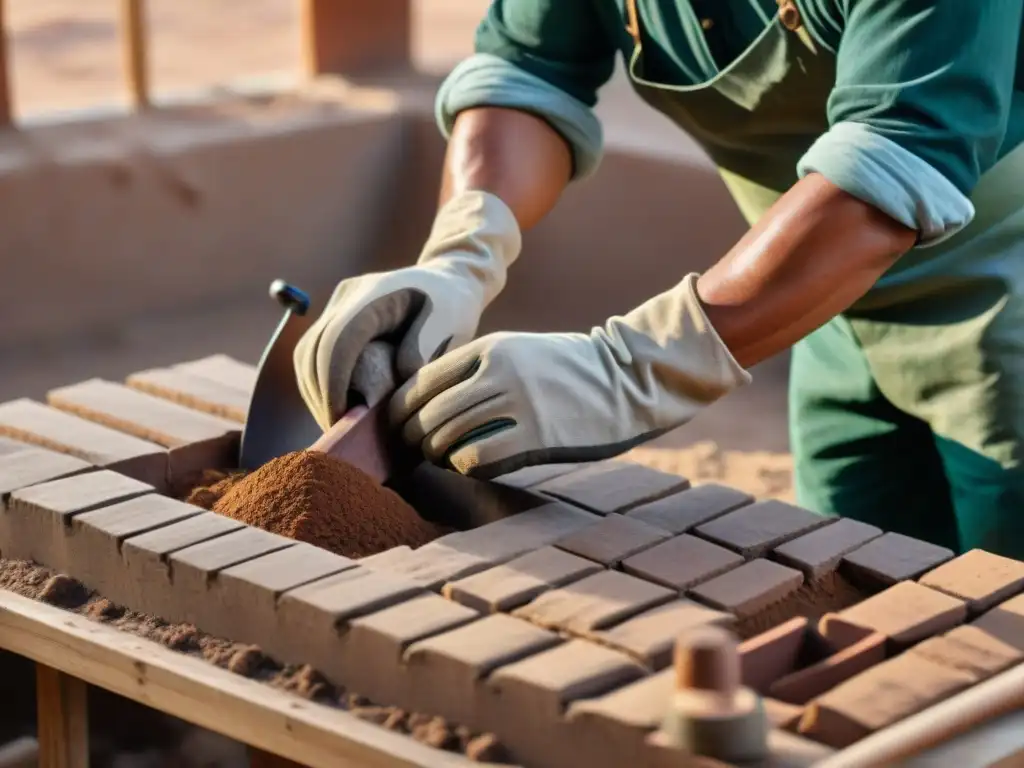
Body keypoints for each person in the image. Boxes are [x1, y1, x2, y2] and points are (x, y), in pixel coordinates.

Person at [294, 0, 1024, 558]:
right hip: (823, 302)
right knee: (860, 576)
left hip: (1003, 291)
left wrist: (634, 368)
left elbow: (901, 152)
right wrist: (461, 250)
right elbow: (528, 72)